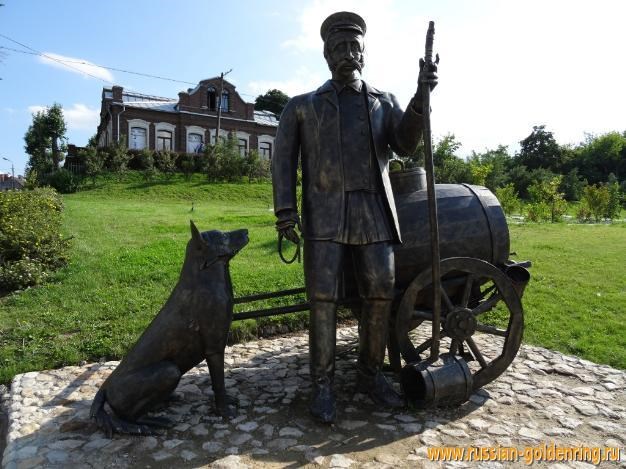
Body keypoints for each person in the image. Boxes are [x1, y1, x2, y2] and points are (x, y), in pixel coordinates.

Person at [272, 11, 437, 423]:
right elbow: (281, 162)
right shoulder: (302, 107)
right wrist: (285, 213)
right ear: (327, 55)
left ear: (363, 52)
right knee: (322, 300)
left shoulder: (384, 102)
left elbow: (404, 145)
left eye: (354, 46)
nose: (348, 53)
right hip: (324, 214)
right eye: (340, 47)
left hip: (373, 211)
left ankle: (369, 375)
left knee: (380, 292)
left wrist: (420, 99)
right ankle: (322, 387)